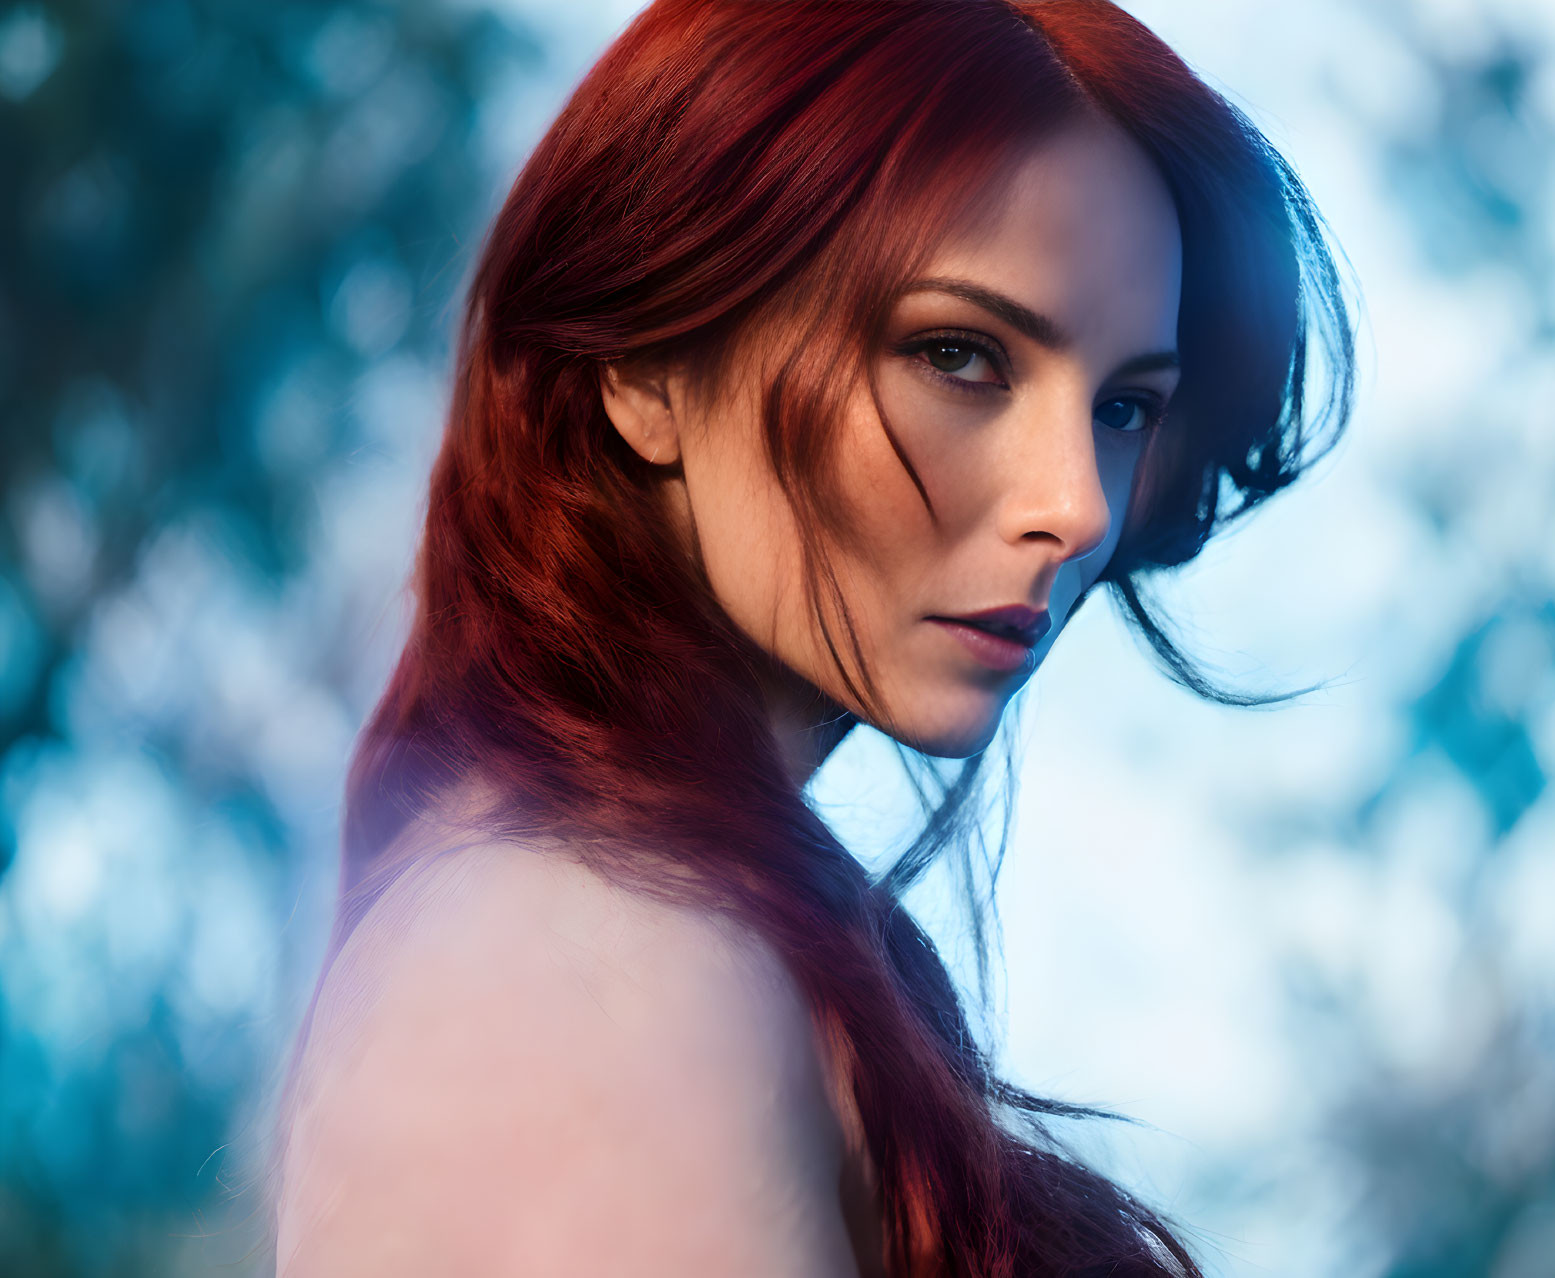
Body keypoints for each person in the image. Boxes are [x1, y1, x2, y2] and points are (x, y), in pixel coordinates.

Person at [267, 1, 1355, 1274]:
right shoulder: (589, 962)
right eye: (959, 355)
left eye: (1123, 407)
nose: (1076, 505)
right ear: (645, 364)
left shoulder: (640, 939)